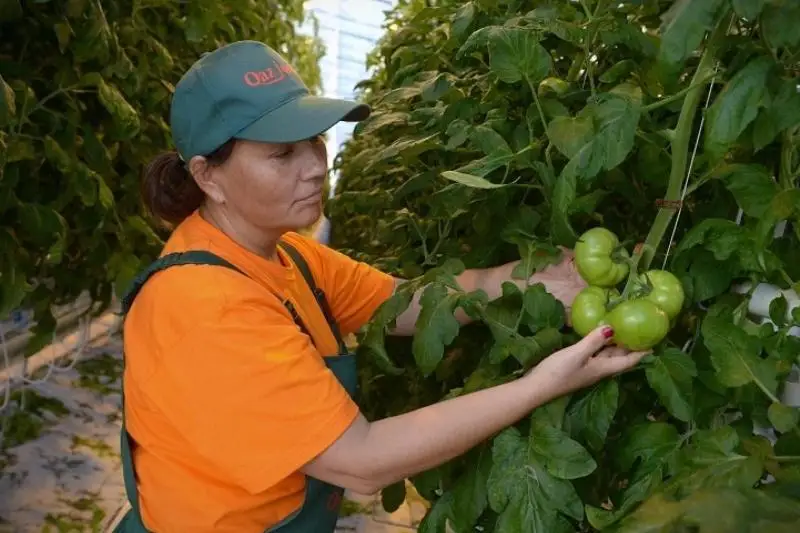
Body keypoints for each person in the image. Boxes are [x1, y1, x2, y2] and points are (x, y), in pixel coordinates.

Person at [115, 40, 649, 533]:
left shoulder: (290, 255)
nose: (314, 167)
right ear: (209, 176)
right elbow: (362, 461)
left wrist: (539, 277)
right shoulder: (203, 306)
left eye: (314, 142)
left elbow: (409, 303)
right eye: (282, 155)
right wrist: (541, 384)